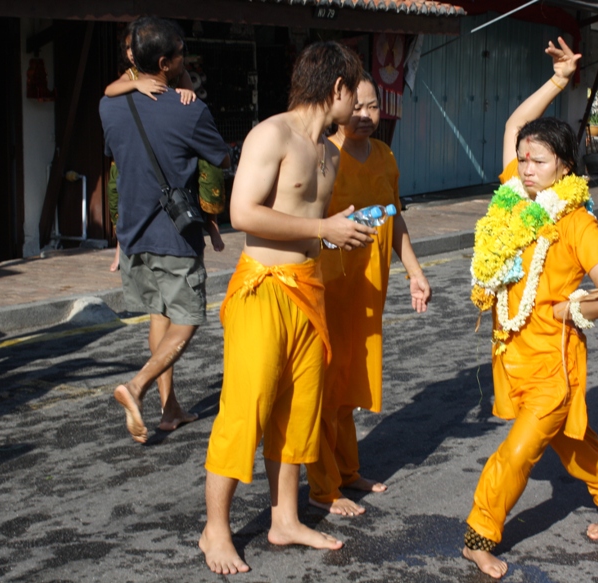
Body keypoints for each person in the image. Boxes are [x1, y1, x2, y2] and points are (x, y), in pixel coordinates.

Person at [463, 37, 598, 579]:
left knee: (518, 453)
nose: (527, 166)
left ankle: (479, 533)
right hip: (513, 352)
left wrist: (570, 311)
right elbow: (517, 124)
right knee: (573, 440)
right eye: (523, 160)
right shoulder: (515, 200)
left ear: (564, 166)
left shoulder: (576, 221)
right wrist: (560, 81)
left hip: (554, 364)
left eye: (539, 160)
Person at [199, 41, 372, 575]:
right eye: (357, 94)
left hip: (308, 285)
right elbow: (243, 212)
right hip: (264, 288)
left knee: (299, 407)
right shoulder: (271, 134)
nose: (363, 107)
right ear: (337, 89)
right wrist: (322, 227)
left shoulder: (331, 151)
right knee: (246, 407)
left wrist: (338, 229)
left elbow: (304, 215)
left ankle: (285, 519)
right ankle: (215, 529)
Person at [304, 73, 432, 517]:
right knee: (325, 385)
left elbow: (394, 218)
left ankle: (345, 469)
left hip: (368, 292)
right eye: (356, 106)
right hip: (329, 289)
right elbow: (308, 225)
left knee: (350, 382)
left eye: (373, 106)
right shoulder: (322, 156)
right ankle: (323, 487)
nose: (364, 115)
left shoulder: (385, 155)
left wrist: (414, 271)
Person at [100, 17, 230, 442]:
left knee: (161, 313)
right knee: (189, 318)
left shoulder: (110, 105)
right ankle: (135, 386)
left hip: (135, 233)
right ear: (165, 62)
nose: (184, 59)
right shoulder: (189, 109)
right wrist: (187, 87)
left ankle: (169, 408)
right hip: (174, 234)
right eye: (180, 55)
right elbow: (220, 158)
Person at [106, 22, 225, 273]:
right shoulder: (131, 77)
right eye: (127, 47)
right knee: (116, 184)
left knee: (209, 165)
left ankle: (211, 221)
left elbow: (191, 102)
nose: (130, 52)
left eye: (133, 47)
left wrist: (185, 94)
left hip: (171, 147)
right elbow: (110, 90)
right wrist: (136, 85)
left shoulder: (179, 75)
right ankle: (119, 243)